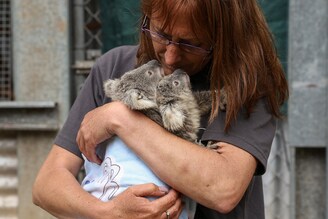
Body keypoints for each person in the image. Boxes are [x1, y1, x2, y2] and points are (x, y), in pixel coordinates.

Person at [32, 0, 289, 219]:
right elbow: (47, 184)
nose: (170, 57)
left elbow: (222, 189)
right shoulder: (115, 65)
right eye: (162, 35)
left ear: (221, 37)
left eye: (190, 44)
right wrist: (108, 212)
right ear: (147, 16)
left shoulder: (246, 85)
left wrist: (120, 118)